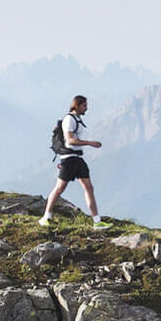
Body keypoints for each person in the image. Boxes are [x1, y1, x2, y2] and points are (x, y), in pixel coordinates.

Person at [42, 95, 106, 228]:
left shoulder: (77, 119)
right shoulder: (69, 120)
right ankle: (46, 217)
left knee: (89, 187)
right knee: (59, 188)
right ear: (77, 105)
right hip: (69, 159)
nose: (86, 109)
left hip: (77, 158)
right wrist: (90, 143)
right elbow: (70, 140)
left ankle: (97, 221)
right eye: (84, 106)